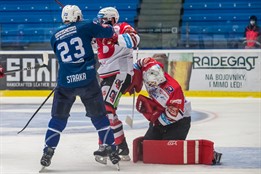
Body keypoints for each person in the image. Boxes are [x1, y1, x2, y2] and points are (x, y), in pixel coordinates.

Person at [40, 5, 120, 168]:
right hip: (87, 81)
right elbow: (109, 32)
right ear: (78, 16)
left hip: (65, 83)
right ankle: (111, 148)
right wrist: (97, 25)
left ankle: (48, 151)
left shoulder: (54, 36)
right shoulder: (86, 25)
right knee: (99, 117)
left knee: (58, 119)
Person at [127, 57, 222, 164]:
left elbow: (174, 116)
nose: (153, 86)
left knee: (167, 154)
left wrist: (153, 115)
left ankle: (210, 153)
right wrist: (135, 74)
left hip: (178, 122)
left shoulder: (174, 89)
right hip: (162, 113)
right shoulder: (150, 66)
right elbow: (140, 62)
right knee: (148, 150)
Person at [93, 7, 140, 161]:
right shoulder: (99, 32)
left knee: (106, 109)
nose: (100, 21)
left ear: (112, 19)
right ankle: (121, 147)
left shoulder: (122, 27)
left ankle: (108, 145)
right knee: (105, 111)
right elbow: (94, 48)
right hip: (106, 75)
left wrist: (116, 37)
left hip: (120, 72)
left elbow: (135, 40)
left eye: (103, 19)